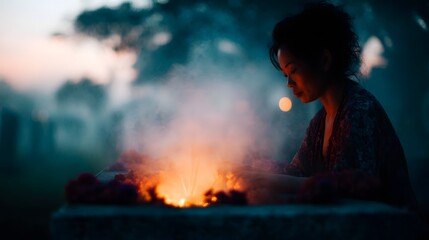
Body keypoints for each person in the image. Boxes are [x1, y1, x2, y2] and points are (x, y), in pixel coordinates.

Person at [242, 1, 416, 209]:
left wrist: (268, 181)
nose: (289, 83)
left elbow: (351, 188)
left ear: (324, 60)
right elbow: (299, 172)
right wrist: (248, 169)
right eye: (286, 75)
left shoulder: (359, 111)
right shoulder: (320, 121)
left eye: (293, 70)